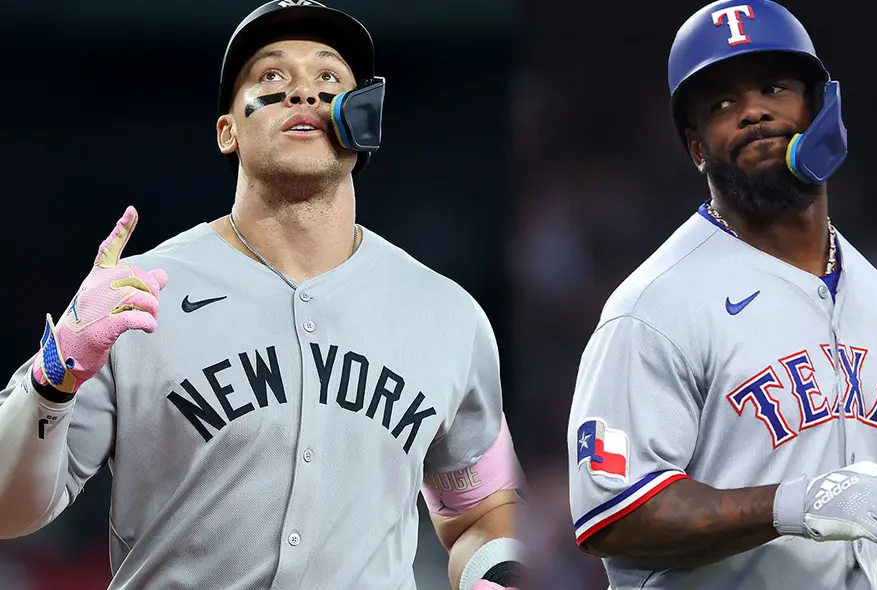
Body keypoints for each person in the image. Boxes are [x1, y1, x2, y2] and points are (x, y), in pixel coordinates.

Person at [0, 2, 525, 589]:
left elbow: (481, 510)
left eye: (329, 79)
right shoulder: (136, 296)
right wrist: (55, 374)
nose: (303, 91)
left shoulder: (447, 317)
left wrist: (498, 577)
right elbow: (8, 510)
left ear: (365, 120)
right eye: (271, 77)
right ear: (228, 130)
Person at [565, 1, 877, 589]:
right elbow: (613, 517)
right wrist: (791, 505)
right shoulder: (652, 306)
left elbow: (836, 516)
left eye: (773, 87)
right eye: (721, 103)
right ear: (697, 147)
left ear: (819, 108)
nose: (752, 112)